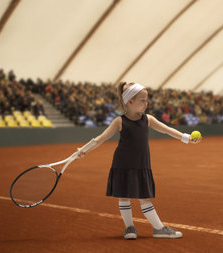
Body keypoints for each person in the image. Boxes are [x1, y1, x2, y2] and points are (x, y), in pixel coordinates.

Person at [74, 82, 201, 240]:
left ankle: (158, 229)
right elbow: (101, 139)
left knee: (144, 197)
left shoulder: (148, 119)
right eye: (142, 100)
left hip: (141, 165)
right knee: (124, 196)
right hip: (122, 164)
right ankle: (129, 228)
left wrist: (187, 138)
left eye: (147, 100)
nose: (146, 103)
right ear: (130, 102)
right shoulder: (119, 121)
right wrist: (84, 149)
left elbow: (167, 130)